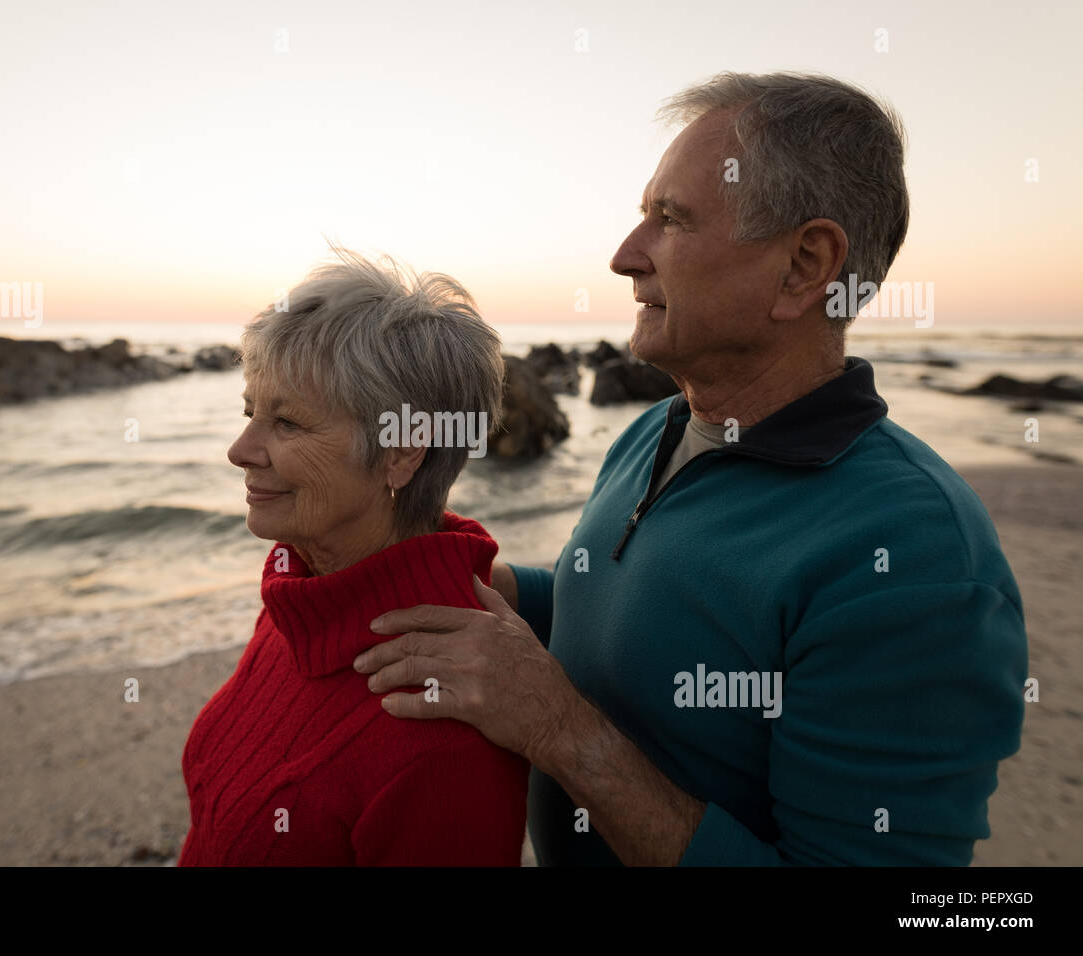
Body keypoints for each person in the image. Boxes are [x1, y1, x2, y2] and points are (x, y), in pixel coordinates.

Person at [356, 72, 1028, 866]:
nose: (622, 256)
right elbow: (612, 610)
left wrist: (562, 733)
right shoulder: (656, 428)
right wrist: (474, 575)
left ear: (805, 266)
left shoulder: (915, 558)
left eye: (668, 220)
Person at [178, 244, 528, 865]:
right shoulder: (302, 595)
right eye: (249, 411)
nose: (240, 449)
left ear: (401, 452)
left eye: (287, 424)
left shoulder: (441, 736)